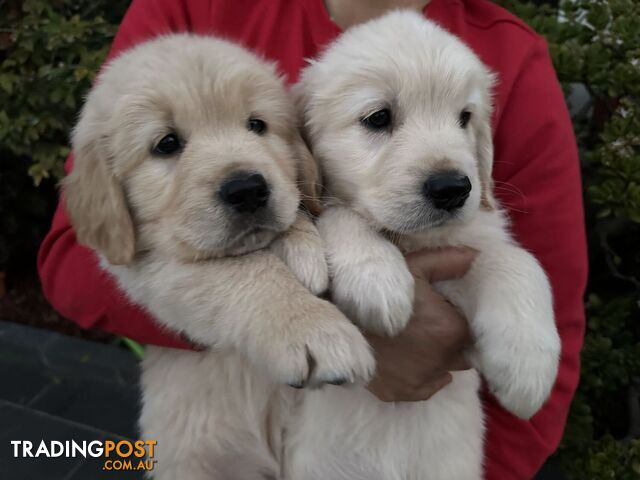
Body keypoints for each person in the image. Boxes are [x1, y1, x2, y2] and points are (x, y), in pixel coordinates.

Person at [37, 0, 588, 478]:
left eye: (258, 127)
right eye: (377, 118)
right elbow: (77, 258)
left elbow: (545, 341)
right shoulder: (191, 9)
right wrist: (299, 317)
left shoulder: (511, 58)